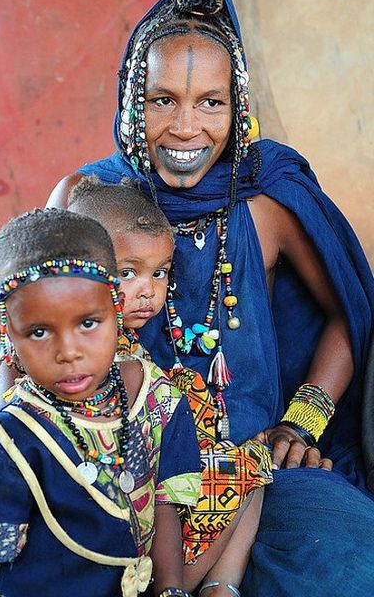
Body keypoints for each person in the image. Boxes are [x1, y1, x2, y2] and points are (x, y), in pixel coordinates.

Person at [46, 0, 374, 595]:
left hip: (251, 468)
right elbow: (44, 317)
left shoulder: (267, 199)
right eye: (162, 100)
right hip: (117, 462)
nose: (186, 127)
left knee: (347, 563)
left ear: (238, 105)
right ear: (131, 101)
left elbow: (347, 313)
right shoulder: (85, 196)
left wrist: (300, 423)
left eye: (211, 103)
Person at [0, 208, 202, 597]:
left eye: (87, 323)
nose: (68, 352)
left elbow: (165, 502)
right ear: (8, 333)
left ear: (116, 307)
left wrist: (171, 590)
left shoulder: (158, 399)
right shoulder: (6, 442)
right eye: (37, 332)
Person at [67, 176, 274, 596]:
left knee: (249, 459)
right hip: (122, 496)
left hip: (146, 480)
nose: (148, 290)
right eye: (128, 273)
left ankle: (221, 586)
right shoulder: (99, 350)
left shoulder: (121, 342)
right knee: (245, 467)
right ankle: (207, 584)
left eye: (160, 273)